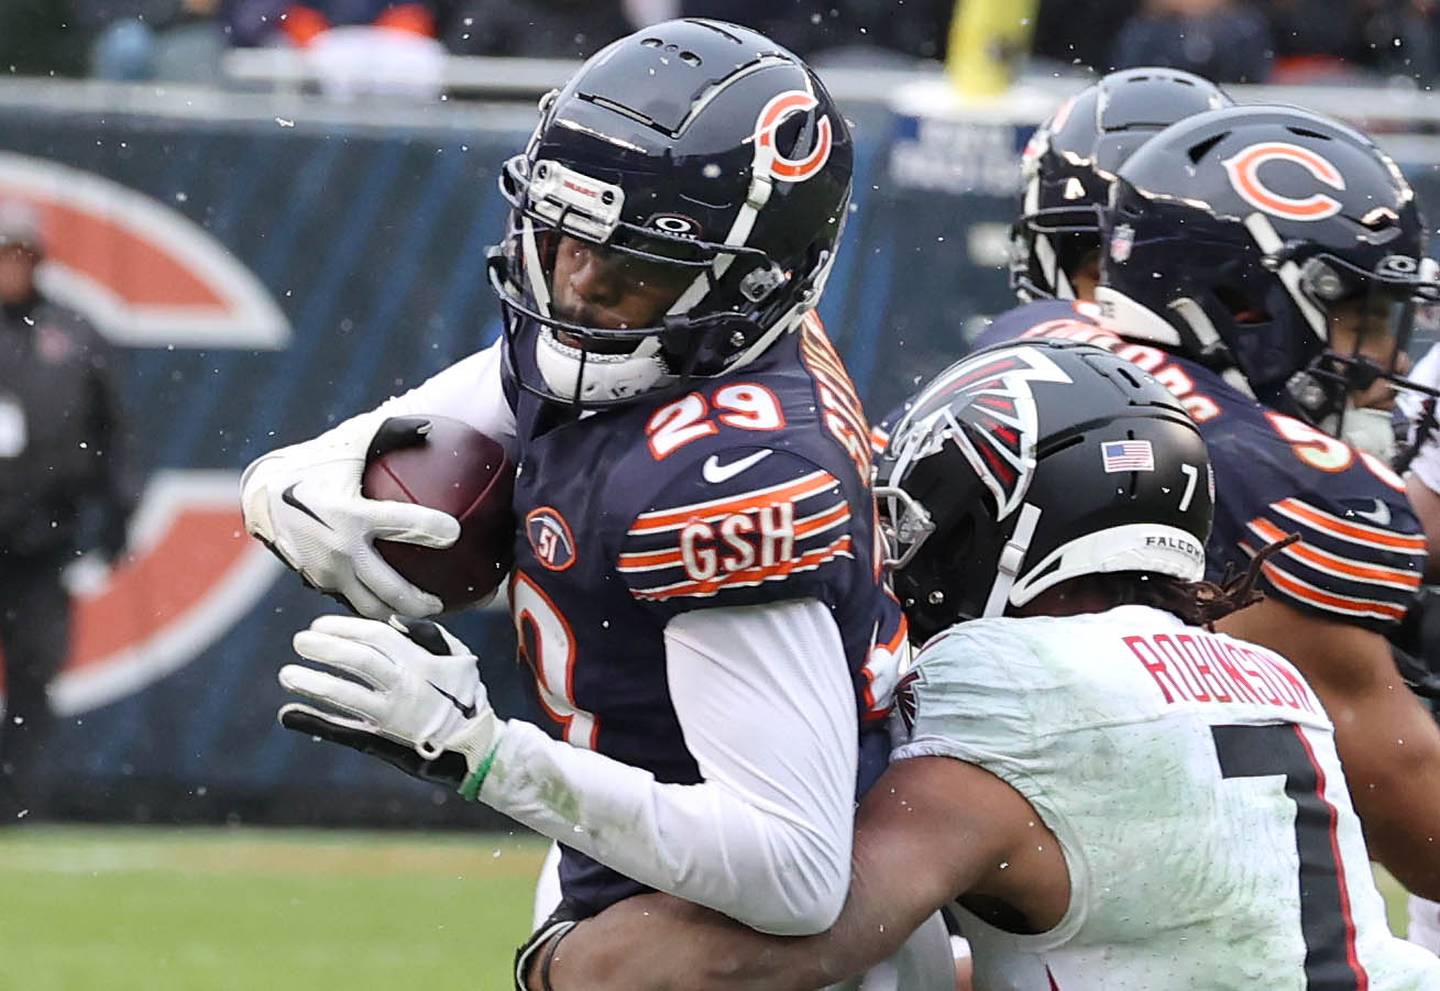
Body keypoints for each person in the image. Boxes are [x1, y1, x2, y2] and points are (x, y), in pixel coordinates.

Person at [243, 17, 949, 983]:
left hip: (751, 946)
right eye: (563, 238)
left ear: (758, 277)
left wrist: (486, 754)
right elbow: (488, 386)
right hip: (634, 862)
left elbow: (796, 870)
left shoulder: (728, 476)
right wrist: (299, 474)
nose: (575, 289)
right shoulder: (661, 335)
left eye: (630, 270)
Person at [509, 338, 1440, 989]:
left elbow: (785, 948)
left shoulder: (1012, 686)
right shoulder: (1259, 674)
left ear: (990, 519)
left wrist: (560, 954)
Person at [967, 103, 1440, 902]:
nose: (1389, 358)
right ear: (1247, 307)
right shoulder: (1277, 490)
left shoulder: (1047, 349)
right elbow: (1424, 830)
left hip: (958, 860)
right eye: (1363, 319)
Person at [0, 201, 136, 819]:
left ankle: (14, 802)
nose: (10, 267)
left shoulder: (72, 333)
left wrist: (119, 510)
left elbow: (107, 431)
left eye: (19, 254)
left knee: (34, 674)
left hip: (39, 543)